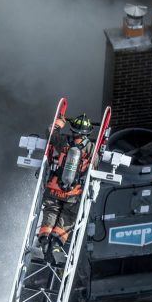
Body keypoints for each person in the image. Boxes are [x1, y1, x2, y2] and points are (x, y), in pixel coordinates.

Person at [37, 112, 94, 265]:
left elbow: (50, 133)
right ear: (88, 132)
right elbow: (94, 165)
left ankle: (44, 242)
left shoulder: (62, 141)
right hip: (73, 193)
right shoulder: (91, 148)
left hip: (54, 188)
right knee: (67, 218)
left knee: (50, 213)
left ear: (72, 129)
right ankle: (55, 246)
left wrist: (58, 123)